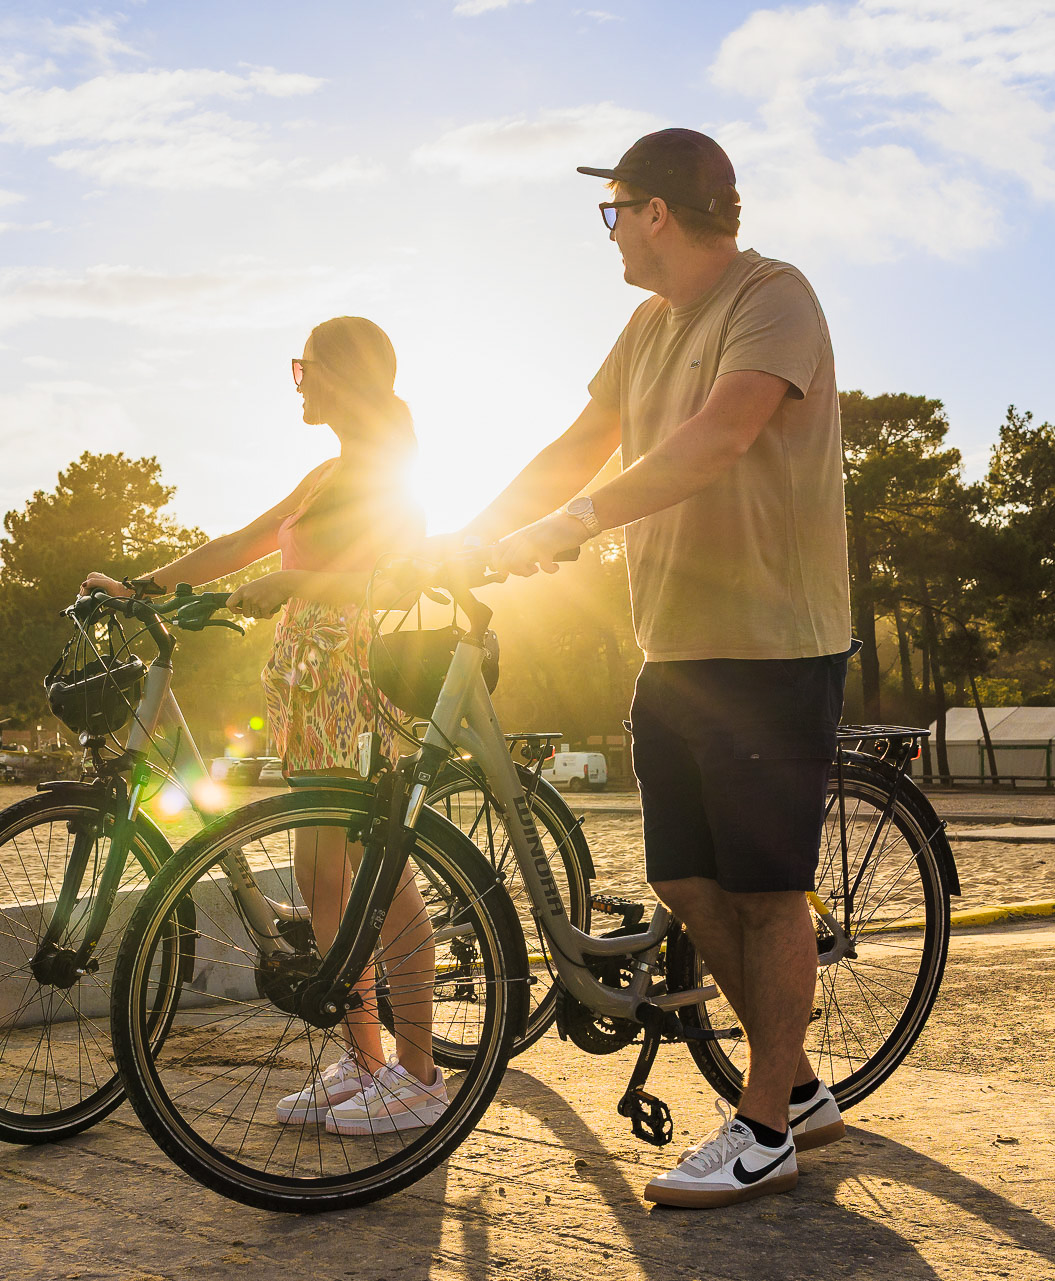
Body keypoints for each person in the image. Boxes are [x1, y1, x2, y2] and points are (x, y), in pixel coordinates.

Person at [466, 129, 852, 1209]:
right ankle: (800, 1085)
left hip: (770, 645)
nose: (610, 235)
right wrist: (471, 529)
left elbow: (720, 437)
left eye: (615, 212)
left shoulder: (773, 297)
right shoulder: (645, 327)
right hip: (673, 647)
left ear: (658, 214)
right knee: (686, 880)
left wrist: (574, 523)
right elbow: (578, 442)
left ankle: (766, 1127)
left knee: (768, 894)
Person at [81, 315, 447, 1135]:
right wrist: (143, 587)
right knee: (320, 875)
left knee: (381, 874)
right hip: (305, 682)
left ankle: (420, 1074)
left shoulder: (392, 471)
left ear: (345, 375)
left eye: (305, 367)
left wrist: (296, 587)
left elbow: (395, 577)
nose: (298, 382)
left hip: (359, 676)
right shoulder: (327, 473)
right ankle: (365, 1058)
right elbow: (245, 540)